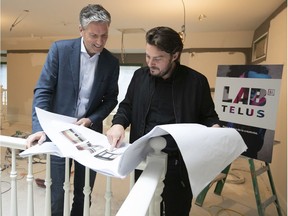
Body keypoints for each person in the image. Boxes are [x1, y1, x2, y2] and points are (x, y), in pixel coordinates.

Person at [106, 26, 221, 216]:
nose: (150, 63)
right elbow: (127, 106)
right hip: (144, 159)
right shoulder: (139, 76)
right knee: (147, 210)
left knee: (177, 210)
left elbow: (209, 116)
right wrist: (118, 124)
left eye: (158, 58)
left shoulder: (197, 82)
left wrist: (214, 127)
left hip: (179, 163)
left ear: (175, 55)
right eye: (147, 56)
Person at [26, 4, 119, 216]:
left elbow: (111, 98)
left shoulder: (111, 62)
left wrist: (92, 119)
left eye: (104, 35)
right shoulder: (60, 50)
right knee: (56, 191)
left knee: (84, 191)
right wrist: (39, 128)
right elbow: (43, 91)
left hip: (89, 135)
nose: (99, 42)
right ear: (81, 30)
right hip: (58, 133)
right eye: (93, 35)